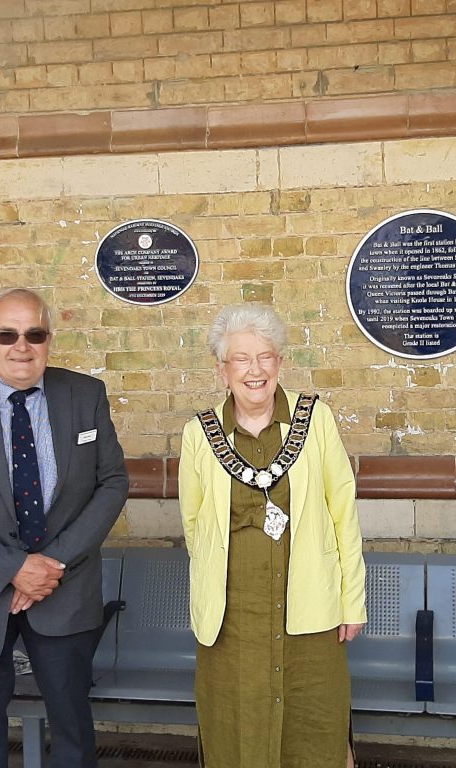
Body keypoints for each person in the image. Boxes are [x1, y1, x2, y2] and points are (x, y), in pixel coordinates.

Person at [0, 287, 128, 768]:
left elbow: (112, 483)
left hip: (63, 588)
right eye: (7, 335)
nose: (22, 346)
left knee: (73, 730)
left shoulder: (85, 395)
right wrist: (13, 569)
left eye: (34, 334)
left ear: (49, 339)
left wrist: (49, 565)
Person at [178, 304, 367, 768]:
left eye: (265, 356)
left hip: (311, 612)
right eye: (241, 359)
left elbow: (343, 513)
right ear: (222, 369)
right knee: (235, 734)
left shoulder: (315, 419)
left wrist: (351, 602)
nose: (255, 370)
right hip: (232, 620)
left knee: (314, 730)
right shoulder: (199, 434)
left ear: (280, 362)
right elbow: (194, 526)